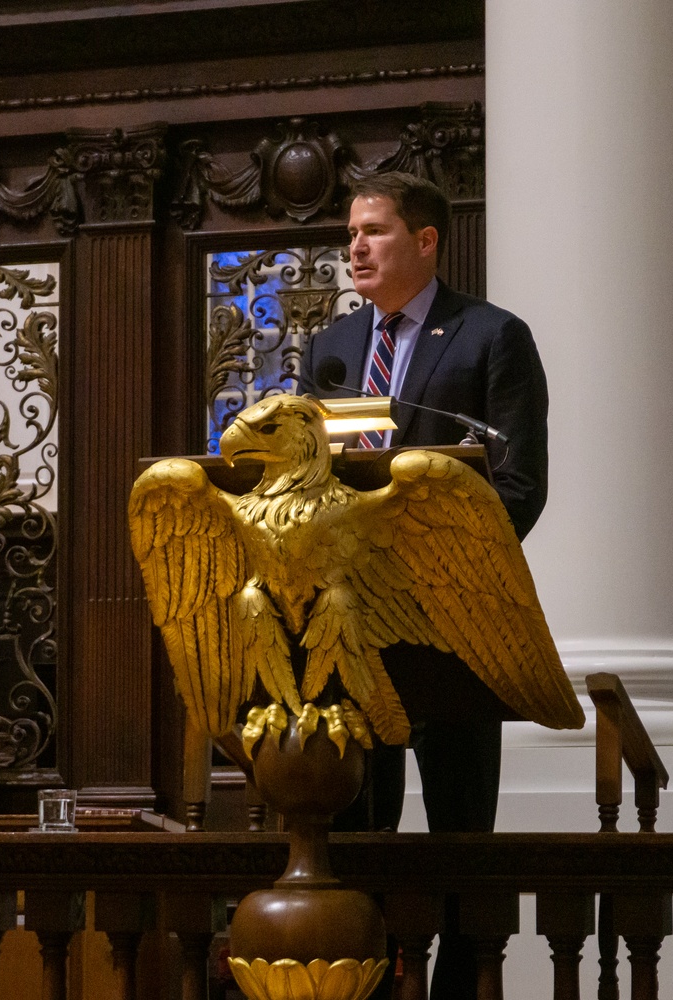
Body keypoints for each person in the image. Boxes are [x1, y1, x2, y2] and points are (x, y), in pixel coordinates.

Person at [298, 171, 551, 999]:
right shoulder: (332, 349)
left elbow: (518, 487)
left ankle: (458, 988)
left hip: (452, 620)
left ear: (426, 240)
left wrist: (423, 568)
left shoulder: (489, 337)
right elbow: (312, 483)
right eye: (350, 235)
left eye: (373, 230)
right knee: (361, 824)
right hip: (352, 626)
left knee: (457, 826)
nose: (356, 248)